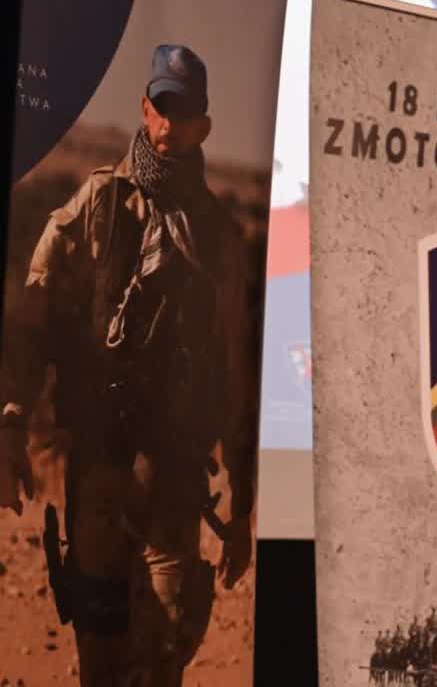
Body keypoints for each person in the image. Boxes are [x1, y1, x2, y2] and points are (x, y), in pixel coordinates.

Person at [0, 43, 256, 686]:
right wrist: (10, 423)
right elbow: (32, 321)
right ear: (145, 109)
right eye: (162, 107)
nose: (171, 122)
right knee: (101, 658)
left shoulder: (218, 238)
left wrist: (242, 506)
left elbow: (235, 373)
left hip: (174, 485)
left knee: (164, 655)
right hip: (100, 476)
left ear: (203, 125)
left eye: (185, 111)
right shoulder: (98, 206)